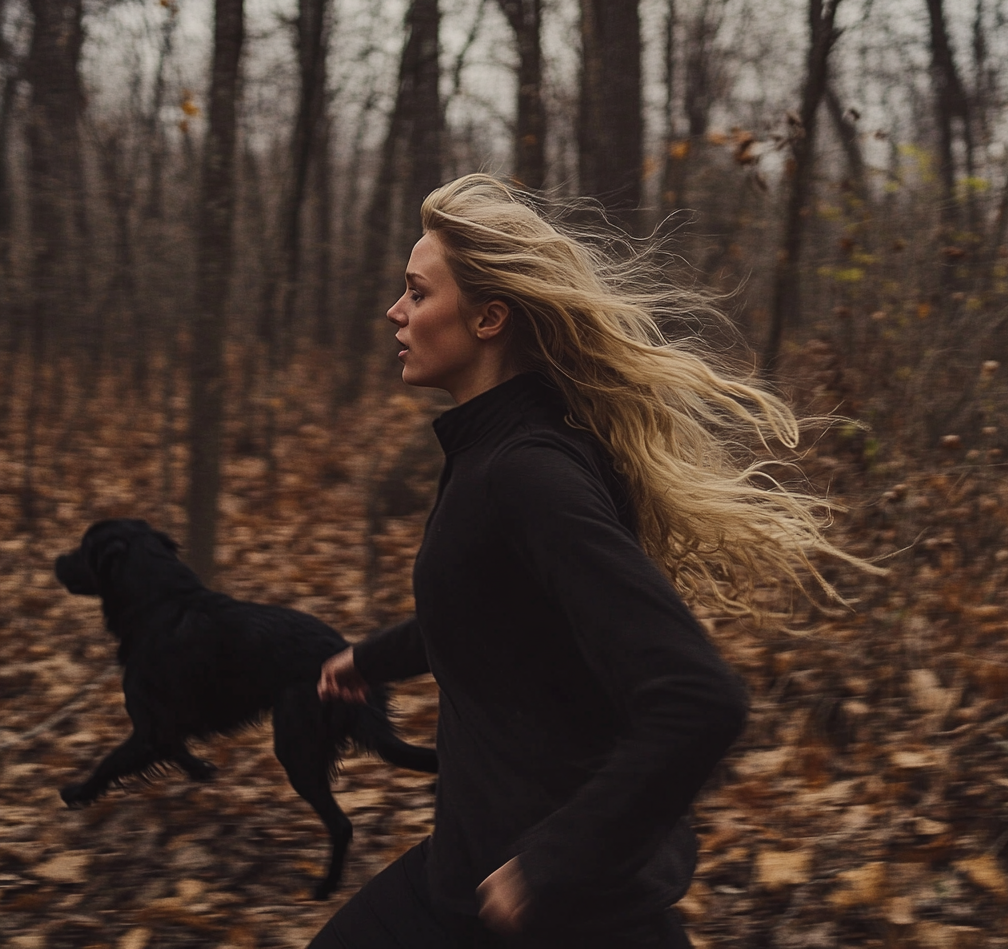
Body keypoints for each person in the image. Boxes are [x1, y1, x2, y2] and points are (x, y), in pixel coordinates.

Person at [307, 174, 849, 949]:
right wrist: (372, 658)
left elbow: (699, 698)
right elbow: (491, 604)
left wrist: (550, 867)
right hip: (470, 872)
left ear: (489, 317)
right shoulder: (497, 447)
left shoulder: (527, 472)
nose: (395, 312)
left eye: (417, 294)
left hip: (559, 907)